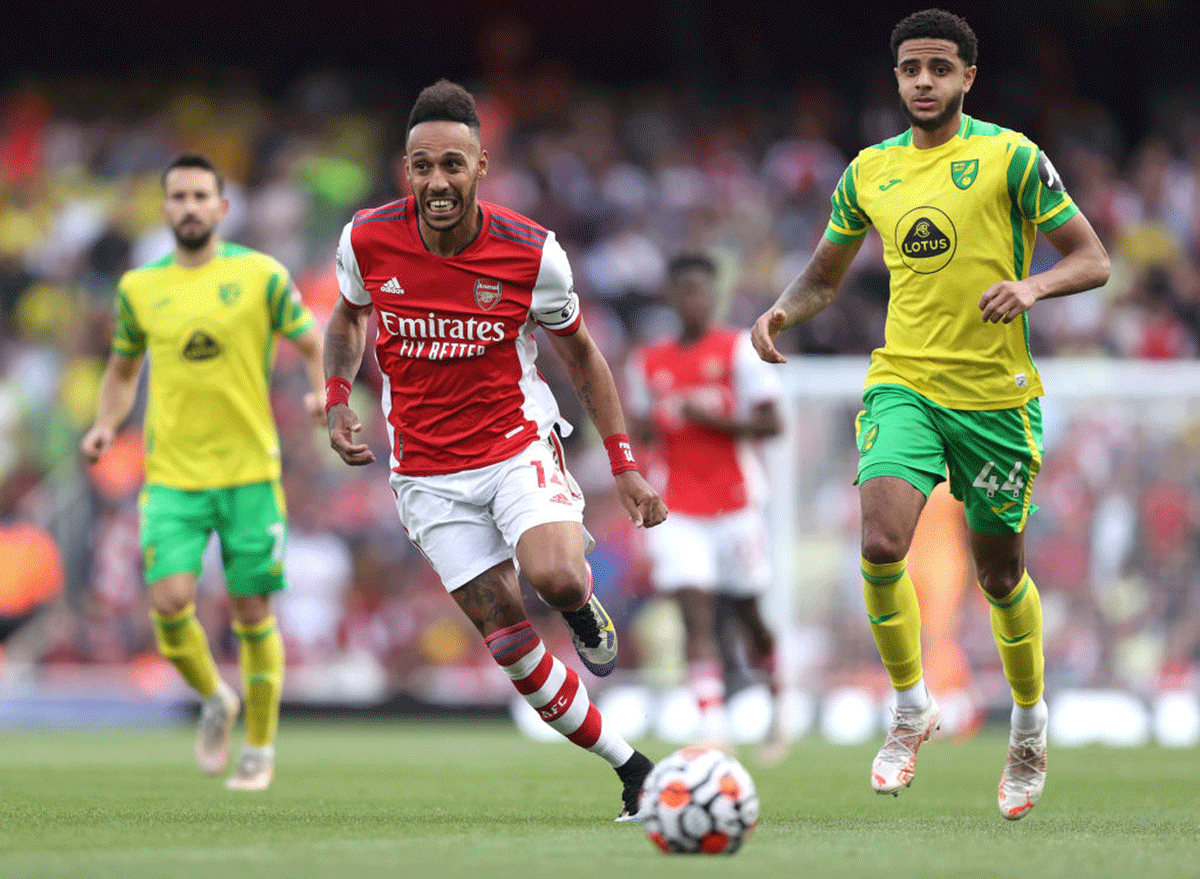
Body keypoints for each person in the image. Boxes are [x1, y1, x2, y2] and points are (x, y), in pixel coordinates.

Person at [751, 8, 1110, 820]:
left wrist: (1032, 286)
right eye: (911, 69)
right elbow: (823, 275)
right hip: (903, 384)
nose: (923, 82)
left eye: (939, 69)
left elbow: (1093, 257)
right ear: (897, 77)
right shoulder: (869, 171)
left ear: (966, 77)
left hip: (994, 401)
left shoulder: (1010, 156)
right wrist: (778, 313)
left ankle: (1028, 724)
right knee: (880, 541)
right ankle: (911, 708)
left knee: (998, 573)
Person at [323, 80, 668, 821]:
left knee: (554, 575)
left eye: (453, 164)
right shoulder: (366, 239)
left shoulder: (532, 253)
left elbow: (583, 358)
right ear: (403, 169)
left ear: (482, 164)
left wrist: (624, 463)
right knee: (509, 644)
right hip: (424, 475)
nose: (437, 182)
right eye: (422, 167)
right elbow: (347, 320)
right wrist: (335, 396)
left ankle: (581, 604)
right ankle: (632, 767)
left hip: (513, 447)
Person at [81, 154, 326, 791]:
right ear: (165, 210)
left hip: (249, 475)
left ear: (221, 208)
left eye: (200, 196)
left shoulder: (261, 275)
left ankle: (261, 748)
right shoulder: (140, 288)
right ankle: (217, 697)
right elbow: (121, 369)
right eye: (178, 197)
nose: (189, 207)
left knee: (251, 613)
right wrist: (106, 424)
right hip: (172, 477)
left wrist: (324, 392)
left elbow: (311, 341)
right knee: (167, 604)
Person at [624, 253, 789, 759]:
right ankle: (713, 728)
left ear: (714, 296)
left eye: (703, 291)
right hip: (677, 509)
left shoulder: (739, 351)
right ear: (672, 298)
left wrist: (711, 420)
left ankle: (777, 702)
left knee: (748, 616)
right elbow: (639, 432)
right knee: (694, 615)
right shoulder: (647, 363)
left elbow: (773, 424)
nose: (695, 300)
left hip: (736, 504)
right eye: (685, 291)